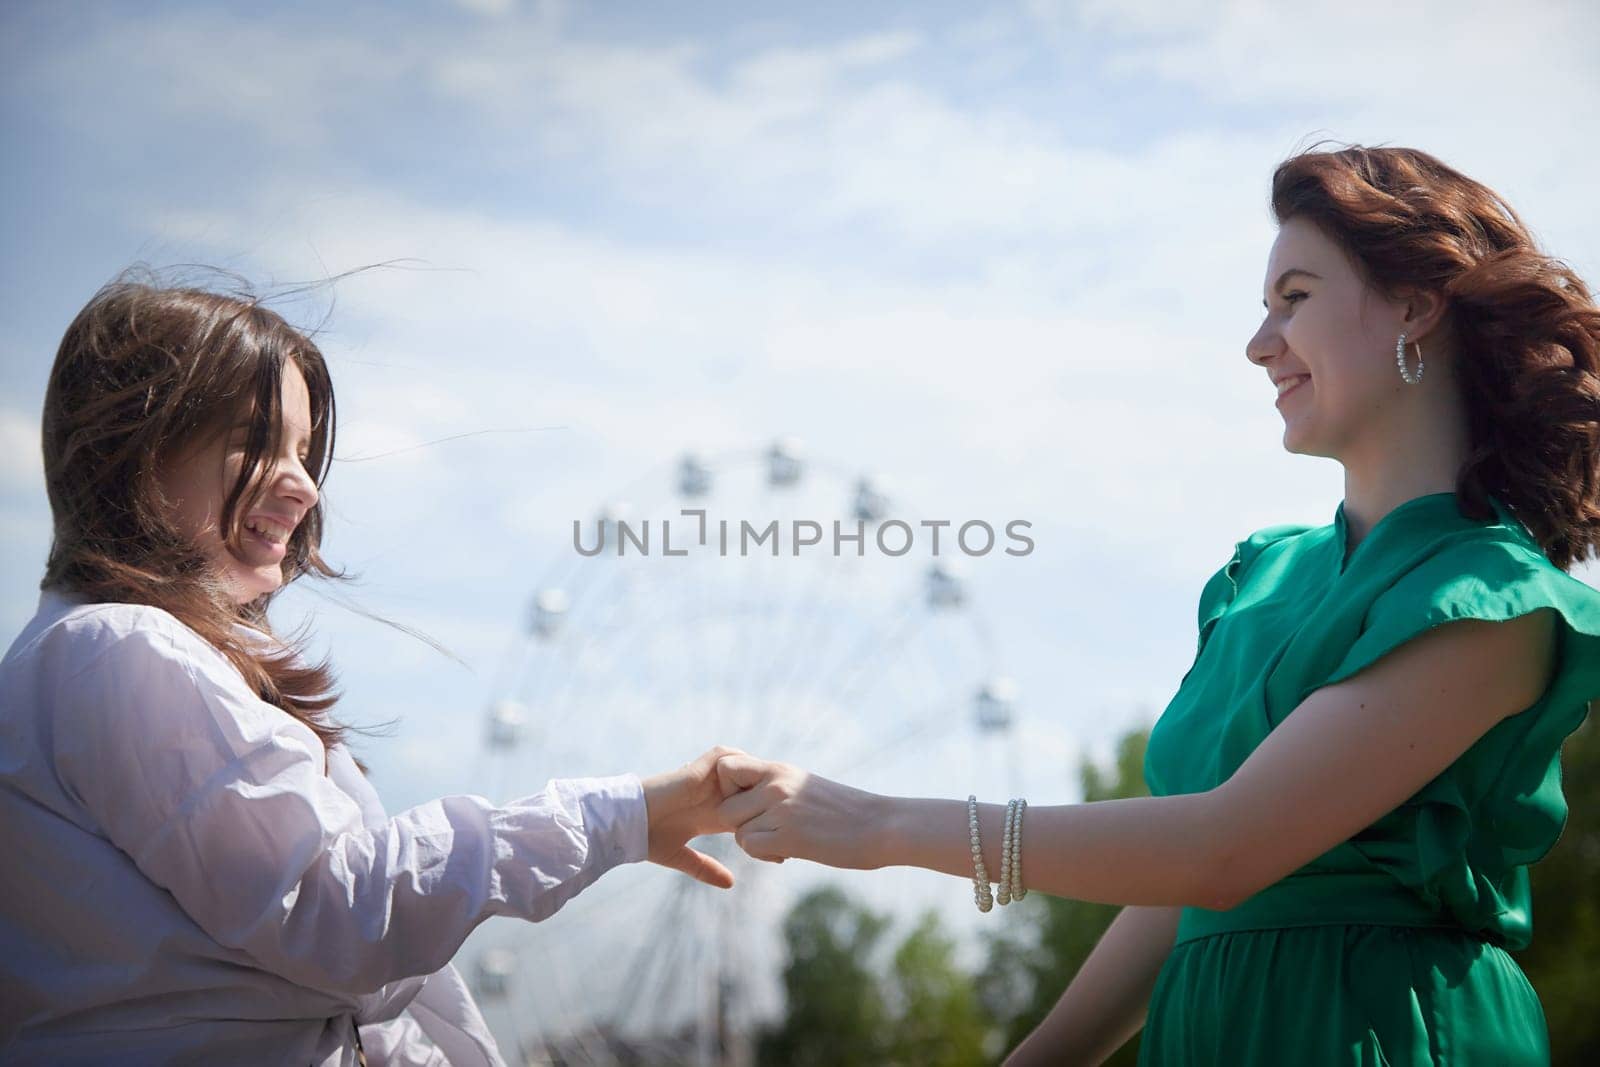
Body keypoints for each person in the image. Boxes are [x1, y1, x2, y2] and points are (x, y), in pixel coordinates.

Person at [707, 143, 1600, 1065]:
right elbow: (1180, 884)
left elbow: (1222, 849)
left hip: (1383, 1035)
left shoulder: (1494, 599)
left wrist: (879, 824)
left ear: (1416, 305)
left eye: (1295, 298)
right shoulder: (1263, 580)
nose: (1259, 345)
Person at [0, 274, 746, 1065]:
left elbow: (347, 1000)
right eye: (255, 439)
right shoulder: (119, 652)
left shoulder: (78, 660)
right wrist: (613, 819)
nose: (303, 483)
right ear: (135, 450)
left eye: (302, 448)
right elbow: (345, 914)